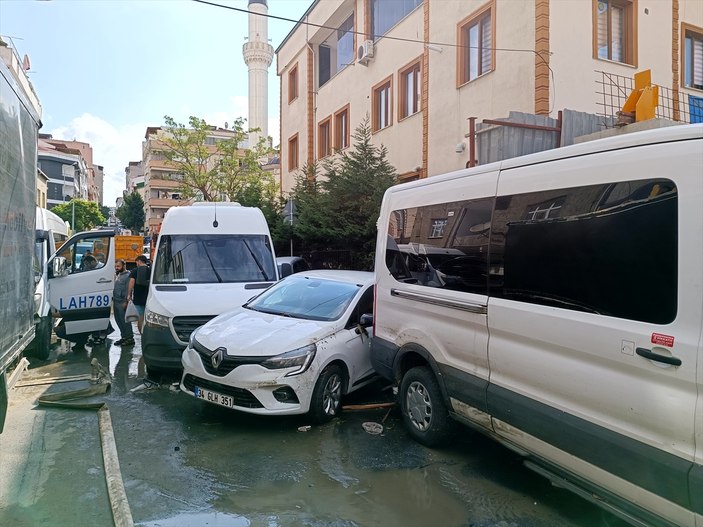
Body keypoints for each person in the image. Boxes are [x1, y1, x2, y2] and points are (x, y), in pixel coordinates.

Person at [113, 259, 134, 346]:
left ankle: (130, 338)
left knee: (125, 321)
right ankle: (123, 337)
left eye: (118, 266)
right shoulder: (118, 275)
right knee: (118, 320)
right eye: (115, 266)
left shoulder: (128, 276)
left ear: (124, 266)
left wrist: (126, 301)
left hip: (122, 301)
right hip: (116, 301)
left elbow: (128, 290)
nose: (116, 268)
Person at [127, 254, 149, 333]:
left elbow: (132, 282)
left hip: (138, 298)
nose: (136, 264)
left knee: (140, 318)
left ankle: (142, 335)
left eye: (136, 262)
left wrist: (129, 294)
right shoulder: (151, 270)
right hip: (149, 298)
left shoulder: (135, 270)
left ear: (139, 261)